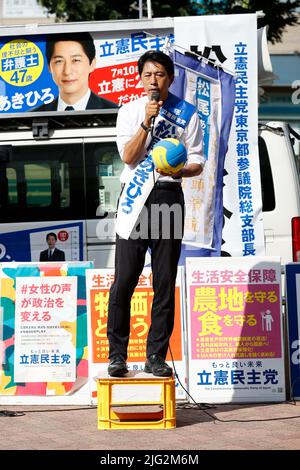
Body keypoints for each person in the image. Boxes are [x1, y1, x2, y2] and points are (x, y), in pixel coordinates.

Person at [107, 50, 205, 377]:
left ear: (170, 78)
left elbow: (198, 161)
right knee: (124, 281)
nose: (154, 80)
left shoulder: (187, 114)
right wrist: (146, 123)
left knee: (164, 282)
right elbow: (129, 156)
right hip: (135, 200)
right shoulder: (130, 111)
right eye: (148, 74)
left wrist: (180, 171)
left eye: (160, 74)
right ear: (140, 78)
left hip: (167, 197)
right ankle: (117, 356)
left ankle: (156, 357)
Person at [33, 32, 118, 111]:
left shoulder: (115, 112)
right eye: (59, 61)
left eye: (76, 60)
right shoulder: (34, 115)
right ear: (49, 67)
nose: (67, 71)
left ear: (92, 64)